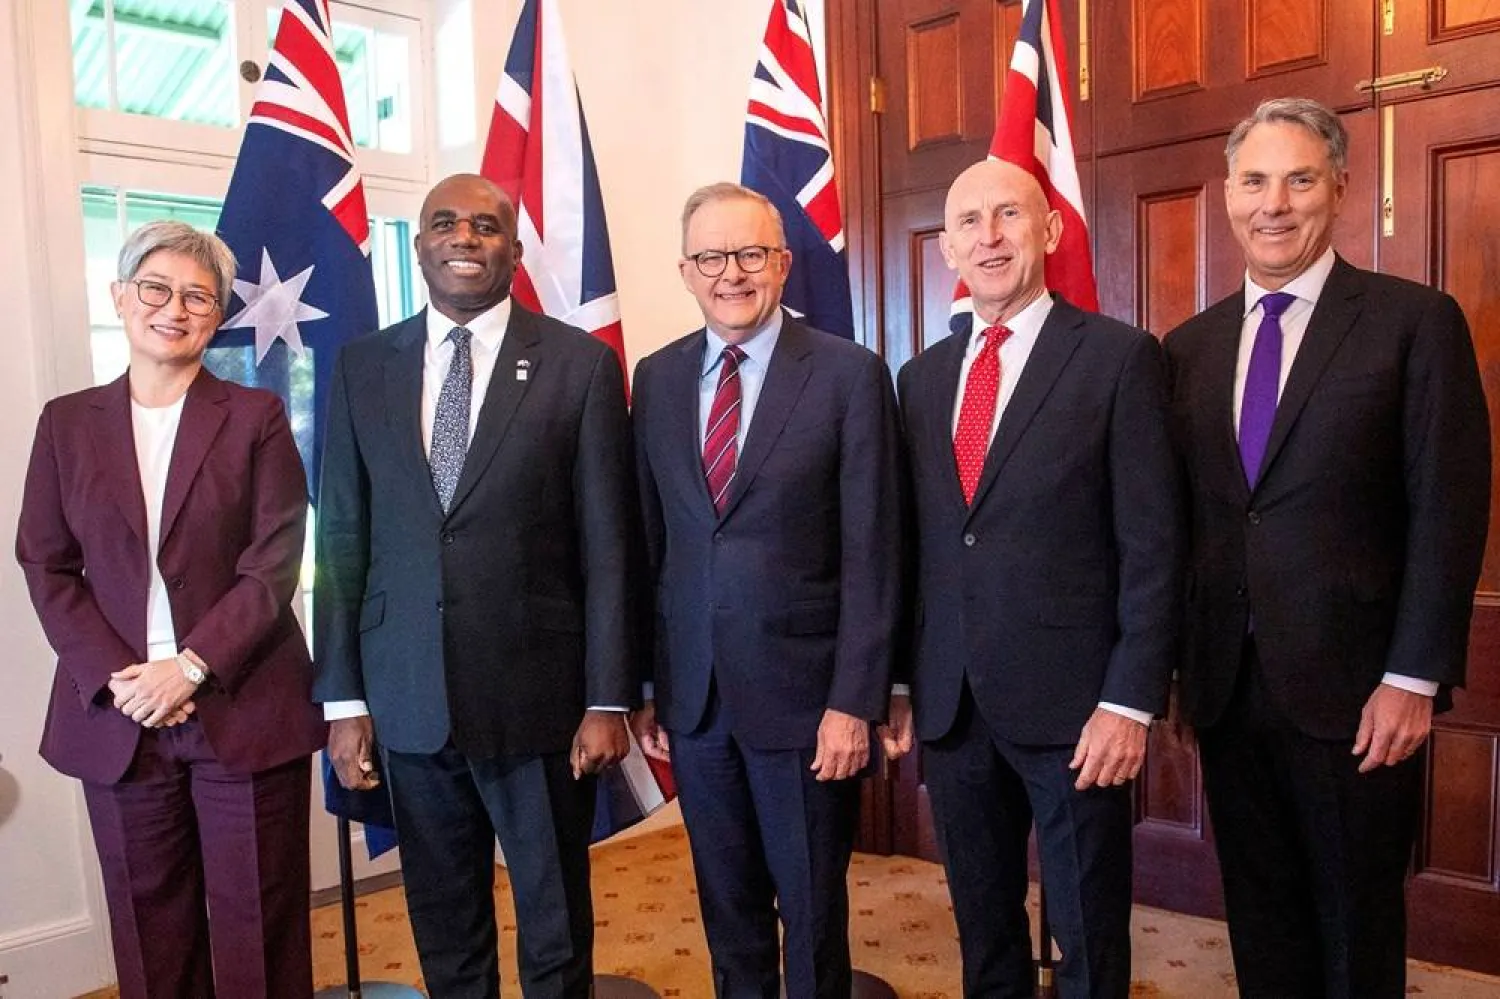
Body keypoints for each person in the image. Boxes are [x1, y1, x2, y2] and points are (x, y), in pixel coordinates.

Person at [1164, 97, 1490, 999]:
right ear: (1227, 194)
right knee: (1261, 918)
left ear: (1339, 188)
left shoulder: (1413, 323)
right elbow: (1188, 524)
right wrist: (1180, 673)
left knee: (1355, 925)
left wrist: (1414, 677)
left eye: (1299, 179)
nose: (1274, 203)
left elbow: (1448, 510)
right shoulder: (1188, 348)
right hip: (1228, 689)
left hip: (1360, 694)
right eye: (1255, 180)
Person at [313, 173, 636, 998]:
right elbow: (341, 539)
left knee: (554, 922)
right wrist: (343, 699)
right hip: (409, 698)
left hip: (539, 701)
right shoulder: (360, 367)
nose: (465, 236)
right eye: (445, 223)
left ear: (513, 251)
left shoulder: (580, 366)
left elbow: (609, 548)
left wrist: (607, 697)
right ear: (419, 245)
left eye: (485, 225)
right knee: (445, 919)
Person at [883, 160, 1183, 998]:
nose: (989, 236)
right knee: (983, 926)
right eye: (970, 222)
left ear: (1048, 231)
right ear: (947, 248)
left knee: (1088, 930)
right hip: (953, 702)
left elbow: (1153, 545)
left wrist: (1129, 700)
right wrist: (904, 680)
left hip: (1077, 709)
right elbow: (922, 546)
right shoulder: (922, 378)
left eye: (1009, 214)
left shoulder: (1119, 360)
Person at [15, 221, 324, 998]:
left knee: (261, 928)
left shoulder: (256, 417)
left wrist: (189, 667)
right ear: (121, 298)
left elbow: (273, 561)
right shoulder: (64, 423)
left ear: (216, 317)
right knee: (150, 937)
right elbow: (46, 562)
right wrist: (124, 680)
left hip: (240, 706)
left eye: (197, 296)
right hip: (117, 715)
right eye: (156, 288)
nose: (174, 308)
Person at [629, 182, 903, 998]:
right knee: (728, 910)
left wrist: (856, 701)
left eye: (750, 254)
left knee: (812, 914)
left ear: (782, 264)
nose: (731, 273)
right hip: (697, 701)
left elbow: (873, 550)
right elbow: (654, 544)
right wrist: (647, 685)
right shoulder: (658, 377)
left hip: (809, 706)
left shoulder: (849, 374)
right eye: (711, 256)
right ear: (685, 270)